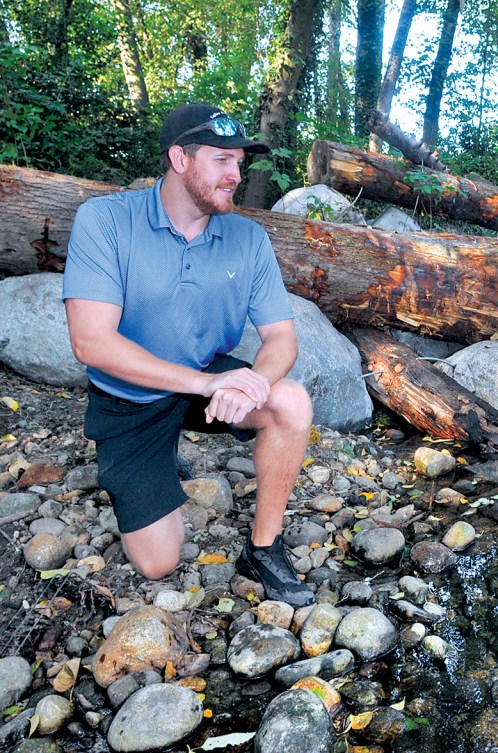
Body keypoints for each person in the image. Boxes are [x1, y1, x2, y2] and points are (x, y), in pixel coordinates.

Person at [62, 103, 315, 607]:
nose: (235, 175)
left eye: (239, 163)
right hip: (129, 398)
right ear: (180, 158)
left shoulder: (248, 238)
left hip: (204, 374)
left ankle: (263, 549)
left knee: (290, 403)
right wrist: (207, 386)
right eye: (223, 160)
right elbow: (90, 342)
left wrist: (252, 383)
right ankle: (155, 469)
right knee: (159, 563)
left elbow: (282, 338)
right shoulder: (106, 221)